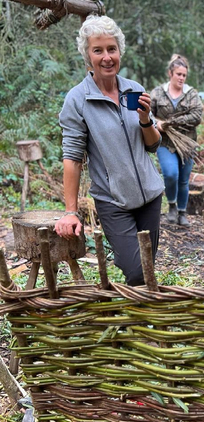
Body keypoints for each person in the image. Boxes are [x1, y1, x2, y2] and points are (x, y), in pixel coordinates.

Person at [55, 15, 164, 286]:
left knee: (146, 268)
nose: (107, 57)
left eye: (111, 49)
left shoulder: (134, 89)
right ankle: (139, 316)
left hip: (150, 195)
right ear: (87, 55)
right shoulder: (78, 100)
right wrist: (71, 211)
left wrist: (145, 118)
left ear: (119, 52)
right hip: (113, 202)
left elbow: (152, 145)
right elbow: (72, 157)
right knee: (136, 270)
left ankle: (141, 321)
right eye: (98, 50)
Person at [150, 54, 203, 227]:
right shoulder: (158, 93)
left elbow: (196, 115)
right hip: (165, 142)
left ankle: (182, 212)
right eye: (178, 74)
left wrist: (170, 122)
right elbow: (147, 113)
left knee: (183, 179)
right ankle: (171, 205)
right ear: (170, 74)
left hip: (187, 143)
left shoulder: (191, 94)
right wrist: (157, 123)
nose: (181, 78)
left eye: (184, 75)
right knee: (171, 174)